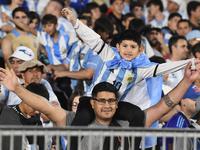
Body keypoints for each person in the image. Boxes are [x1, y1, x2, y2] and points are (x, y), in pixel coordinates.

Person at [0, 54, 200, 149]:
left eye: (112, 101)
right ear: (92, 103)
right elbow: (43, 105)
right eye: (102, 100)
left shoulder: (130, 123)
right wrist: (17, 88)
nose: (107, 105)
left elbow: (164, 104)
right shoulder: (74, 121)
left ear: (117, 104)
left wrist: (187, 80)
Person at [46, 16, 102, 92]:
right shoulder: (76, 45)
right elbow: (66, 66)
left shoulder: (95, 46)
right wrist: (52, 67)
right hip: (75, 90)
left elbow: (89, 74)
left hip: (89, 92)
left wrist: (64, 73)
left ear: (90, 28)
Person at [0, 82, 49, 150]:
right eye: (35, 107)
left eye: (40, 109)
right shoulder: (8, 116)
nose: (37, 112)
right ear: (26, 99)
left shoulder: (36, 116)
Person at [165, 84, 200, 150]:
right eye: (193, 99)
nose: (196, 103)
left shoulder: (191, 122)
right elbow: (172, 145)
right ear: (183, 101)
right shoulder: (177, 120)